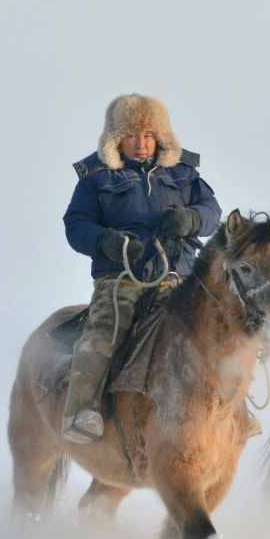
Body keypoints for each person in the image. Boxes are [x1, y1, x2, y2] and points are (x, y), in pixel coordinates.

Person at [61, 94, 221, 443]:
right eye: (132, 135)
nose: (141, 143)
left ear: (161, 136)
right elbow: (76, 225)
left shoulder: (184, 173)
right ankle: (80, 412)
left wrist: (191, 218)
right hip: (121, 279)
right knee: (105, 331)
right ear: (116, 137)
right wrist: (107, 242)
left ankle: (233, 410)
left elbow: (212, 211)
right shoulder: (95, 176)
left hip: (177, 278)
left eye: (149, 135)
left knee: (217, 327)